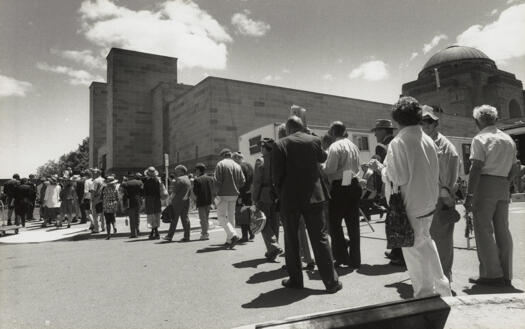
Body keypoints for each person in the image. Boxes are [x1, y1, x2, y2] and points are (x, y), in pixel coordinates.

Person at [370, 96, 451, 298]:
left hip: (410, 204)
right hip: (428, 201)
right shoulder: (428, 140)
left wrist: (382, 170)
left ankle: (425, 295)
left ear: (397, 120)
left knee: (414, 252)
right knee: (427, 244)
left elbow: (398, 176)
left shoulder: (399, 142)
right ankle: (442, 288)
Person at [272, 116, 342, 293]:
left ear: (287, 129)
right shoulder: (314, 140)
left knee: (292, 239)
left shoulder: (280, 144)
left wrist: (282, 194)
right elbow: (323, 156)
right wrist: (311, 137)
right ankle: (331, 282)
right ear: (303, 128)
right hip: (314, 196)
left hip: (290, 198)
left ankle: (296, 280)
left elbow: (276, 176)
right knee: (320, 238)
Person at [464, 105, 519, 287]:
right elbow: (515, 167)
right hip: (503, 184)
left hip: (485, 184)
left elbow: (476, 167)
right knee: (503, 229)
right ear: (495, 119)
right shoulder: (507, 139)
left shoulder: (480, 138)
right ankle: (506, 273)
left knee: (484, 229)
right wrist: (506, 181)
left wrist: (469, 194)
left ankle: (491, 273)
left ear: (477, 121)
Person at [421, 105, 460, 282]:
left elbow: (444, 175)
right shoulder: (436, 142)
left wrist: (446, 194)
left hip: (440, 196)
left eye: (428, 123)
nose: (424, 126)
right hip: (437, 195)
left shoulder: (439, 145)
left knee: (440, 239)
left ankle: (443, 276)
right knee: (436, 238)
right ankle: (441, 276)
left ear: (434, 124)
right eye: (422, 123)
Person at [323, 121, 362, 268]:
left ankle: (342, 257)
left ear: (333, 132)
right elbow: (355, 167)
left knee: (334, 224)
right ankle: (355, 259)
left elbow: (330, 169)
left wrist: (321, 166)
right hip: (352, 182)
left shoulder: (334, 146)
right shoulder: (353, 145)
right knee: (353, 225)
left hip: (340, 186)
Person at [372, 119, 405, 266]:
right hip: (401, 186)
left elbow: (382, 169)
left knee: (394, 221)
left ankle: (398, 254)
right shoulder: (398, 141)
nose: (375, 135)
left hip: (390, 187)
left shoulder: (381, 147)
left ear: (384, 131)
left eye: (377, 131)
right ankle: (397, 252)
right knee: (399, 219)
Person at [253, 138, 283, 261]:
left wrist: (255, 198)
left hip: (264, 194)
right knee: (275, 222)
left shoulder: (260, 160)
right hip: (276, 194)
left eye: (262, 147)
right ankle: (273, 250)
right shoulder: (278, 160)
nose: (261, 149)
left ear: (264, 148)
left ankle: (273, 246)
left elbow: (257, 181)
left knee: (263, 222)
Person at [214, 148, 245, 248]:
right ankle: (229, 240)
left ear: (222, 155)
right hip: (234, 194)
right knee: (231, 216)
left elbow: (217, 180)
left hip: (223, 193)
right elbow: (242, 181)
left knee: (221, 216)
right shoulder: (237, 165)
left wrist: (216, 193)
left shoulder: (220, 164)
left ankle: (233, 235)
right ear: (230, 155)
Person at [164, 165, 192, 242]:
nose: (175, 172)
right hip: (186, 201)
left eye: (177, 170)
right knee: (185, 219)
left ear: (181, 171)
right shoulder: (187, 179)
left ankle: (169, 236)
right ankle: (187, 237)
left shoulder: (179, 179)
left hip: (177, 202)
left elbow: (174, 193)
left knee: (174, 219)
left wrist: (169, 200)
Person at [232, 152, 255, 242]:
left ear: (237, 158)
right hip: (250, 193)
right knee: (249, 214)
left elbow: (240, 183)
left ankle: (245, 236)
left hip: (242, 194)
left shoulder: (239, 167)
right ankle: (251, 233)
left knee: (242, 215)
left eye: (234, 159)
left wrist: (240, 195)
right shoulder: (249, 165)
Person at [192, 163, 215, 240]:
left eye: (196, 170)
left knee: (203, 219)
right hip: (209, 201)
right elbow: (213, 190)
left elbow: (195, 192)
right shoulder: (210, 178)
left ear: (198, 170)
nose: (195, 172)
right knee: (206, 218)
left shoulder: (197, 180)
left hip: (201, 201)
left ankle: (205, 234)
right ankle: (205, 232)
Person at [121, 173, 144, 238]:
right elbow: (142, 192)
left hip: (130, 202)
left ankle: (133, 233)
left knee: (132, 218)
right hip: (138, 201)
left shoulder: (126, 184)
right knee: (137, 217)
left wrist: (124, 204)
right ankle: (137, 230)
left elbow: (124, 194)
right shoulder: (140, 182)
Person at [143, 167, 162, 240]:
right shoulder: (158, 180)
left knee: (151, 216)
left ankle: (153, 231)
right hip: (157, 200)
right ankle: (155, 232)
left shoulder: (146, 182)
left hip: (149, 200)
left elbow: (144, 192)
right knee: (157, 215)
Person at [90, 169, 105, 233]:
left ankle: (96, 228)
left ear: (98, 173)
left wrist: (91, 198)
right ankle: (103, 227)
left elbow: (93, 190)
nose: (93, 174)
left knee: (95, 215)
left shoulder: (95, 181)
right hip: (103, 198)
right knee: (102, 214)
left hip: (96, 199)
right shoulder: (104, 180)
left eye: (94, 172)